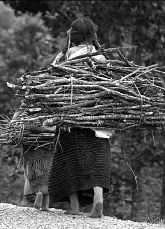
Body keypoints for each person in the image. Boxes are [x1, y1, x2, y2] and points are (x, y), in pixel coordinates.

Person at [46, 17, 114, 218]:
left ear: (73, 35)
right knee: (97, 159)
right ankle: (98, 198)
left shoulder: (63, 58)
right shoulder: (100, 58)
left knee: (69, 159)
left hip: (71, 117)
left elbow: (51, 81)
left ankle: (74, 206)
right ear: (92, 35)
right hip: (96, 118)